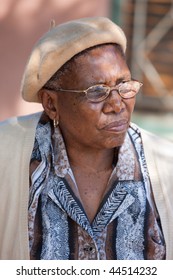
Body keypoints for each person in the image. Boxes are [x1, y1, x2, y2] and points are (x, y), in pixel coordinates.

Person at [0, 16, 173, 260]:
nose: (116, 104)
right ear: (51, 104)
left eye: (124, 84)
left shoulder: (165, 166)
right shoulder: (6, 157)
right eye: (97, 91)